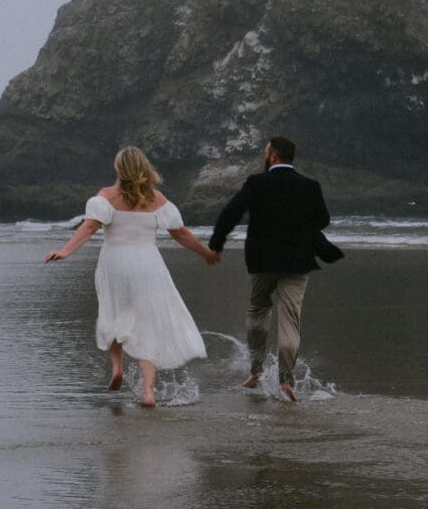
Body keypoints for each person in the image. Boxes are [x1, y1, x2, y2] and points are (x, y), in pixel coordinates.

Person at [45, 146, 219, 406]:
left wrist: (65, 251)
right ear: (144, 167)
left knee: (114, 312)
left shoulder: (106, 197)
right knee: (147, 324)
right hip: (148, 265)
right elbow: (180, 233)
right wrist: (204, 252)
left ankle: (117, 368)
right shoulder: (157, 199)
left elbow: (89, 227)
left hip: (115, 263)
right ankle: (148, 391)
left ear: (119, 168)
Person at [209, 136, 334, 402]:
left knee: (258, 310)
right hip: (298, 261)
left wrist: (216, 244)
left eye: (266, 152)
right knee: (290, 319)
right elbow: (322, 220)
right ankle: (286, 380)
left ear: (273, 156)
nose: (265, 155)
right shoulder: (310, 186)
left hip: (262, 260)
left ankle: (256, 371)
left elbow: (231, 212)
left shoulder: (257, 182)